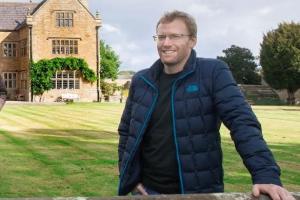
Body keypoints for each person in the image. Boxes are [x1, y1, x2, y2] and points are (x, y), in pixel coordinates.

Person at [118, 10, 295, 200]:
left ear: (192, 40)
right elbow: (127, 132)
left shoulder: (213, 72)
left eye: (175, 36)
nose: (166, 43)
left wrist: (266, 175)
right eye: (161, 37)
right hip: (147, 192)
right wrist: (131, 179)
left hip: (199, 193)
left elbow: (242, 122)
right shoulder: (141, 80)